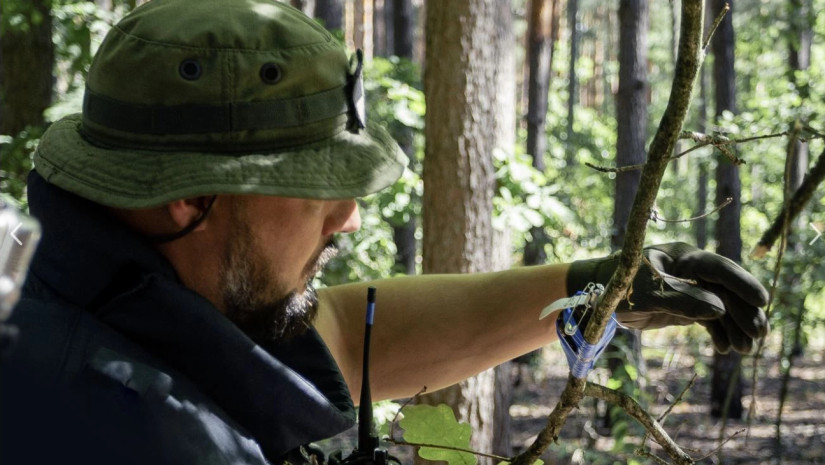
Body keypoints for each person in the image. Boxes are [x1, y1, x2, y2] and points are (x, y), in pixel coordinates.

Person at [0, 0, 768, 464]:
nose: (349, 217)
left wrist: (584, 288)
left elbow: (332, 335)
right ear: (191, 195)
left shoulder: (116, 281)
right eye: (315, 188)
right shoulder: (128, 429)